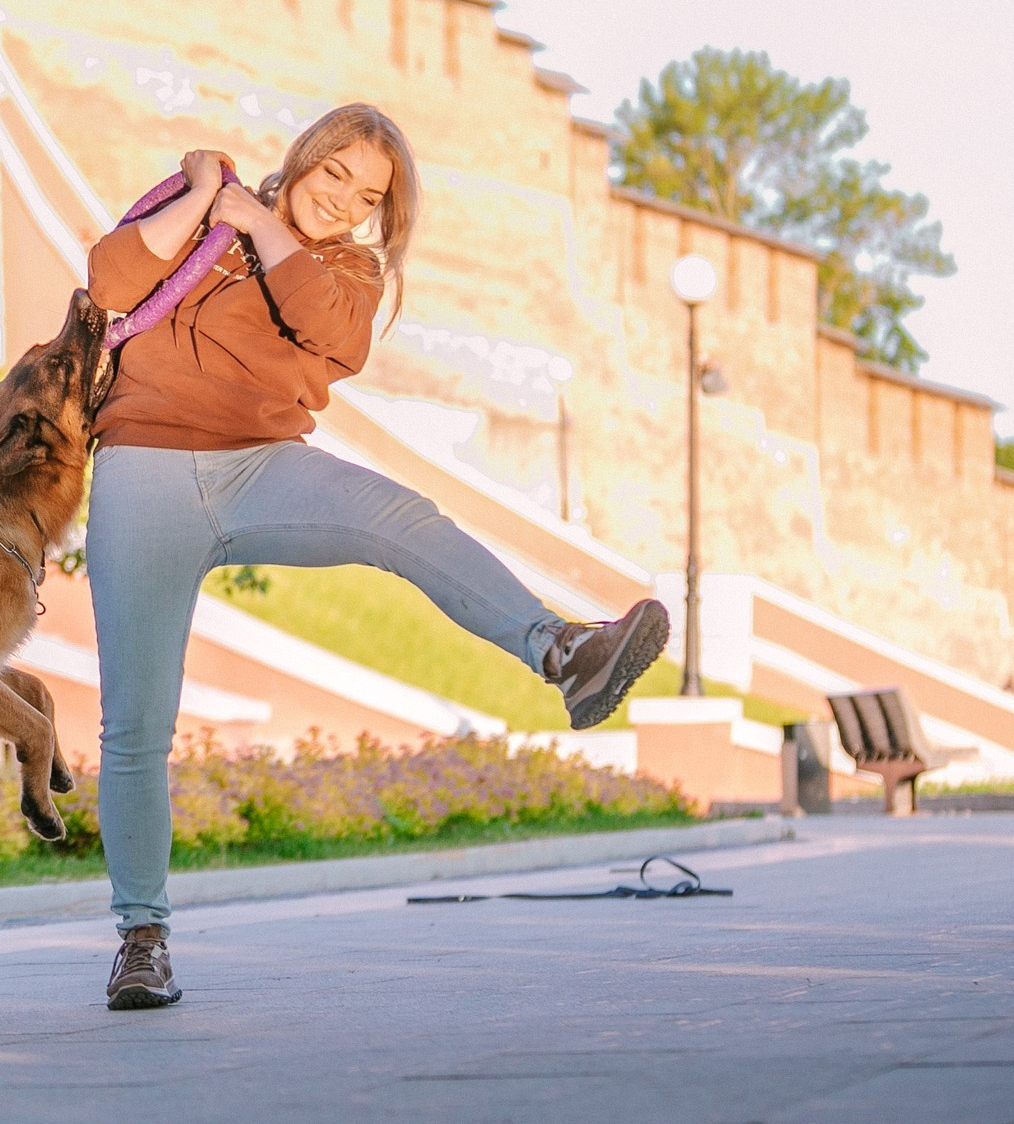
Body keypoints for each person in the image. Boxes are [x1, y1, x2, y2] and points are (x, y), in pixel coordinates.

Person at [82, 103, 669, 1011]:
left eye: (368, 196)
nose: (345, 204)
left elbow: (336, 334)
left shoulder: (345, 266)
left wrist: (262, 223)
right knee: (136, 727)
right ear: (304, 158)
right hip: (140, 473)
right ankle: (142, 940)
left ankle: (563, 652)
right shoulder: (208, 206)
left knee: (398, 516)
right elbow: (112, 279)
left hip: (262, 468)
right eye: (334, 177)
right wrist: (207, 192)